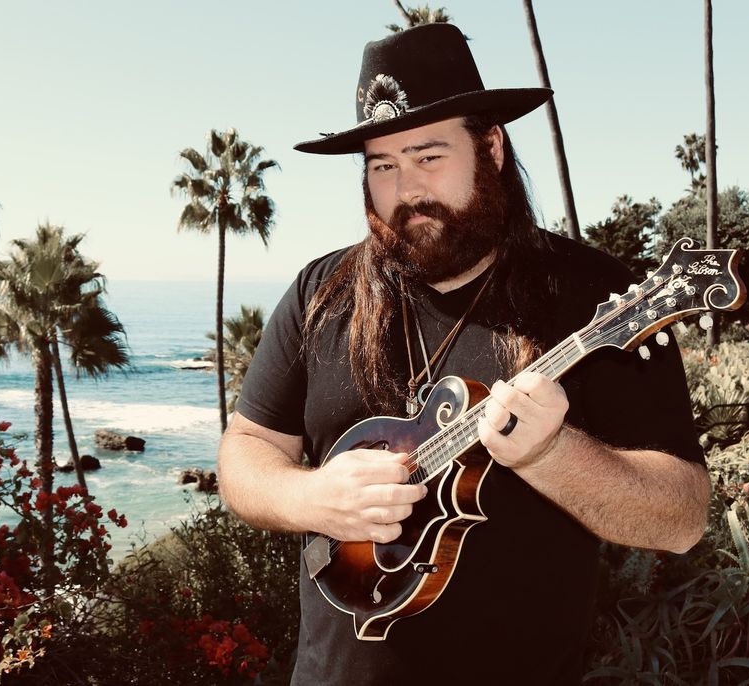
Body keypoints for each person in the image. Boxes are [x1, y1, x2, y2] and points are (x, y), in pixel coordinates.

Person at [217, 24, 708, 685]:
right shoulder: (319, 292)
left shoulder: (596, 299)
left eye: (429, 157)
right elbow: (245, 449)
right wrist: (312, 498)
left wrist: (550, 454)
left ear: (492, 147)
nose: (406, 189)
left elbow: (680, 518)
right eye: (382, 166)